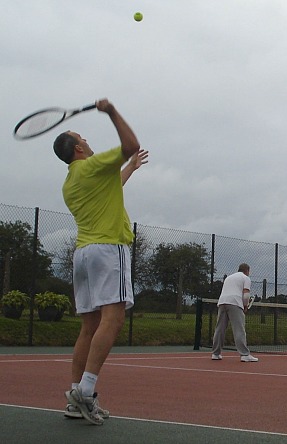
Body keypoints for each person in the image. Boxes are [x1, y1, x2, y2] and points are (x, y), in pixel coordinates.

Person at [54, 99, 146, 425]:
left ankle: (76, 395)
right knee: (114, 319)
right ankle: (86, 392)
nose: (89, 143)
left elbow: (111, 189)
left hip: (83, 256)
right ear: (79, 148)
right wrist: (111, 111)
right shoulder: (92, 166)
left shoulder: (71, 182)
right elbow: (131, 143)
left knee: (89, 326)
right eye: (85, 139)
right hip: (109, 250)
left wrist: (130, 169)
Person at [211, 263, 258, 362]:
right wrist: (245, 306)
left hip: (222, 302)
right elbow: (246, 295)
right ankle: (245, 354)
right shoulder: (246, 278)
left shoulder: (229, 278)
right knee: (239, 329)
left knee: (219, 329)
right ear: (247, 270)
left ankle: (216, 353)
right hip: (235, 303)